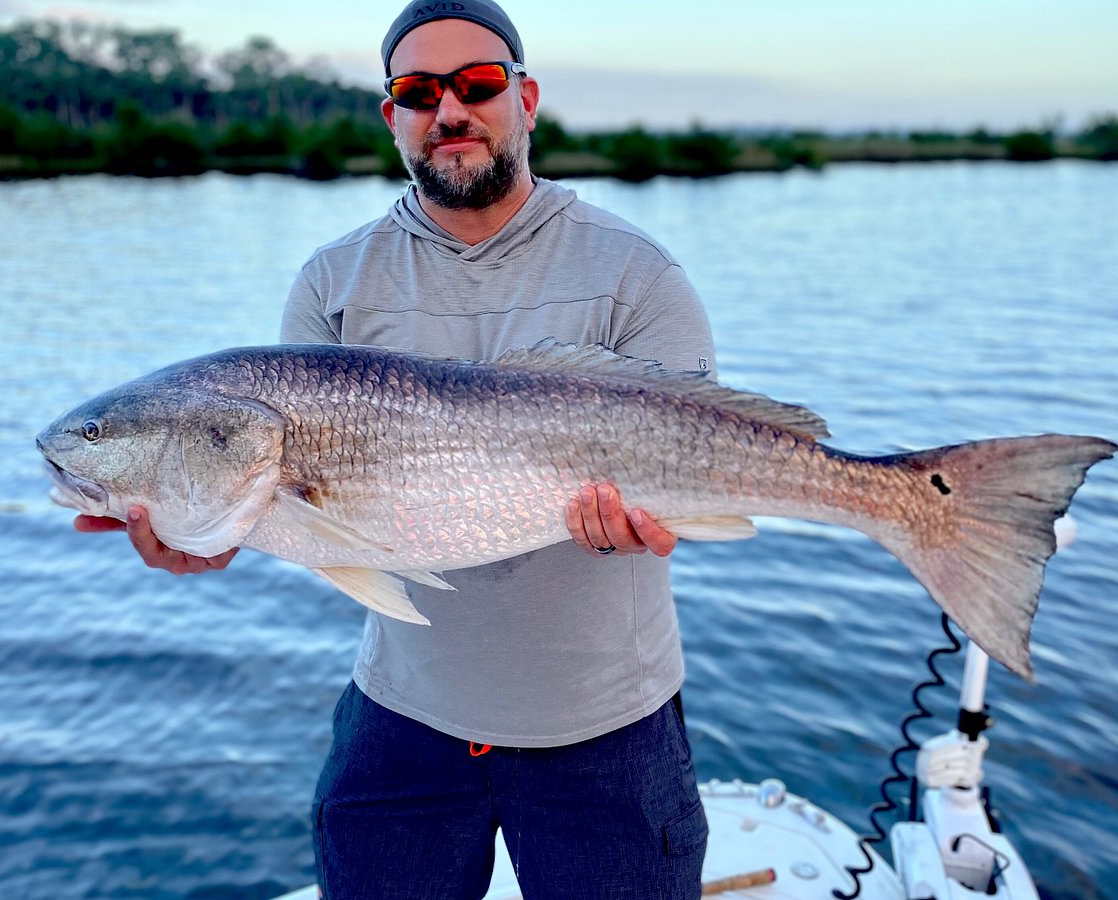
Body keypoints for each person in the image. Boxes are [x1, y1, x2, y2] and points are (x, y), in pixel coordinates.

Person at [76, 1, 717, 896]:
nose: (449, 108)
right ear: (394, 118)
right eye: (419, 91)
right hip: (404, 715)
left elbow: (700, 472)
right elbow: (292, 515)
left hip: (607, 726)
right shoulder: (332, 284)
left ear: (525, 99)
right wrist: (204, 535)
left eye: (478, 84)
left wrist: (654, 519)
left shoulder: (635, 274)